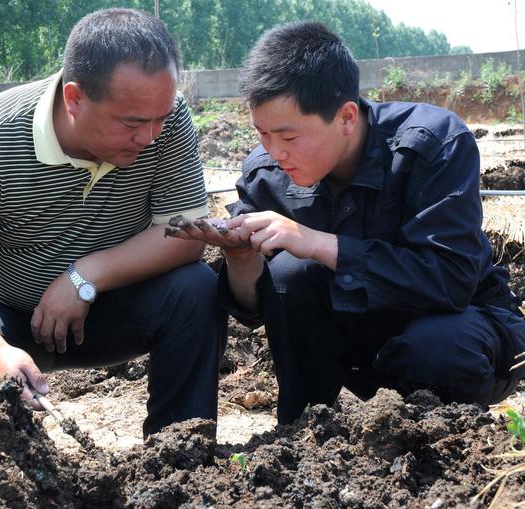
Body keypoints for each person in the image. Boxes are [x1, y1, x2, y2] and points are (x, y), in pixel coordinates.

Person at [166, 20, 525, 425]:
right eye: (262, 133)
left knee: (438, 348)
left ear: (347, 118)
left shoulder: (433, 145)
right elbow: (258, 310)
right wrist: (240, 257)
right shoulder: (264, 174)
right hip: (357, 344)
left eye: (288, 136)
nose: (274, 151)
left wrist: (319, 242)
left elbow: (451, 281)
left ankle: (445, 447)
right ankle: (301, 435)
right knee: (287, 273)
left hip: (463, 330)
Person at [0, 8, 226, 437]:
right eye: (132, 124)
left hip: (107, 307)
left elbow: (185, 237)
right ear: (74, 98)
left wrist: (84, 277)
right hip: (0, 312)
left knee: (196, 290)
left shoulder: (164, 121)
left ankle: (180, 457)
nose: (149, 137)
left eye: (159, 120)